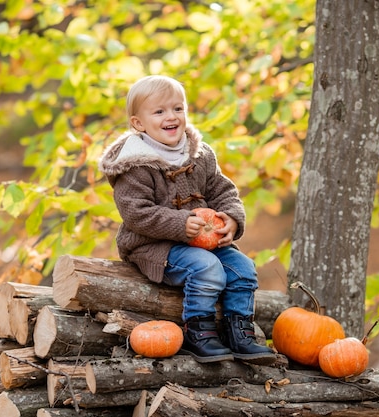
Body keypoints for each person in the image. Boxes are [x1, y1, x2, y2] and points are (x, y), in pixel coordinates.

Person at [99, 75, 275, 364]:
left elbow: (222, 190)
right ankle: (198, 331)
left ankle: (239, 333)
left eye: (177, 109)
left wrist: (230, 217)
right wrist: (180, 224)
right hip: (153, 245)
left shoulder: (199, 154)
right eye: (159, 112)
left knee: (243, 268)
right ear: (138, 123)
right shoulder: (135, 165)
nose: (171, 117)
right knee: (206, 268)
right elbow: (136, 213)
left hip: (203, 239)